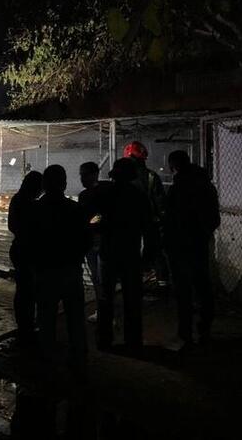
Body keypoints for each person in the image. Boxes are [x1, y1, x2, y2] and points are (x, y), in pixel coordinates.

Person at [27, 165, 90, 377]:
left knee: (46, 318)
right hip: (71, 271)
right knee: (75, 318)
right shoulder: (75, 209)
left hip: (45, 271)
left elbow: (29, 241)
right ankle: (78, 359)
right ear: (64, 184)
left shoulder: (35, 209)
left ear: (44, 184)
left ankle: (47, 361)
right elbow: (86, 240)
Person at [164, 150, 220, 347]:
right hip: (198, 244)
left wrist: (169, 240)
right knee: (203, 284)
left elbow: (170, 219)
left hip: (179, 246)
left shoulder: (177, 188)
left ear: (173, 166)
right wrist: (203, 233)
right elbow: (214, 219)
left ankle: (185, 332)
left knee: (183, 289)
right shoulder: (206, 185)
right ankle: (205, 329)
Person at [96, 158, 149, 352]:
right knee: (132, 298)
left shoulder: (106, 194)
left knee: (105, 297)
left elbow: (97, 219)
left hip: (108, 251)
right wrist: (148, 252)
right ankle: (133, 341)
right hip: (130, 252)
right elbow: (147, 224)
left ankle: (104, 340)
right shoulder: (138, 196)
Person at [123, 141, 169, 286]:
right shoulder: (151, 176)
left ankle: (135, 282)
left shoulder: (123, 178)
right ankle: (161, 282)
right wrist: (163, 220)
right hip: (150, 222)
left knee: (132, 252)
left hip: (130, 223)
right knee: (156, 251)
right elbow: (160, 202)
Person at [7, 170, 43, 342]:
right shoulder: (32, 204)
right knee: (28, 291)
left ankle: (24, 325)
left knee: (23, 290)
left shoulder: (17, 200)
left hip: (19, 249)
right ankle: (27, 326)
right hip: (27, 252)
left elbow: (12, 226)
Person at [77, 162, 110, 323]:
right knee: (98, 278)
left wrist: (89, 223)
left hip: (100, 239)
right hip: (91, 240)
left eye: (85, 174)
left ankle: (105, 312)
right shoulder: (84, 195)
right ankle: (103, 310)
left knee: (102, 278)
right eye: (81, 175)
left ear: (94, 174)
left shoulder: (102, 192)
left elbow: (102, 215)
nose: (82, 178)